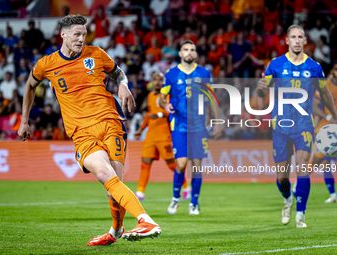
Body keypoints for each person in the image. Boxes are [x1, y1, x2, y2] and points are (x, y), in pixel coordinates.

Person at [17, 14, 161, 246]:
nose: (82, 38)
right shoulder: (47, 64)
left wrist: (123, 86)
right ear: (63, 35)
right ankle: (145, 220)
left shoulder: (96, 54)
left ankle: (116, 231)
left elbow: (118, 73)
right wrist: (24, 121)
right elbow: (30, 86)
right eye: (77, 34)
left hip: (111, 122)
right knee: (106, 176)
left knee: (113, 187)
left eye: (84, 34)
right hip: (82, 132)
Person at [257, 25, 337, 228]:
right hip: (281, 125)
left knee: (302, 168)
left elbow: (324, 93)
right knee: (281, 177)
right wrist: (260, 90)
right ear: (287, 40)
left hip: (303, 125)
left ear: (304, 41)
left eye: (301, 37)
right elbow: (262, 92)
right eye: (293, 37)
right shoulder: (275, 65)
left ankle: (301, 213)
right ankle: (287, 199)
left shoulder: (314, 67)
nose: (297, 40)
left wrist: (334, 114)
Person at [159, 40, 221, 215]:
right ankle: (176, 198)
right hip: (179, 124)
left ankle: (194, 202)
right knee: (181, 163)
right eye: (185, 49)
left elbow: (211, 98)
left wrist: (217, 122)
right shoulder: (171, 74)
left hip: (199, 125)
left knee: (197, 165)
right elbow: (162, 98)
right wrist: (165, 105)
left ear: (195, 54)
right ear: (180, 53)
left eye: (192, 50)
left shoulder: (203, 73)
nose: (189, 52)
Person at [134, 72, 190, 201]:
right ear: (152, 81)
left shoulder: (168, 96)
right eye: (155, 80)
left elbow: (173, 112)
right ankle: (140, 192)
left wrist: (159, 115)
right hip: (150, 137)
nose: (158, 82)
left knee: (172, 165)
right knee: (145, 164)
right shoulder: (150, 96)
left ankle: (186, 187)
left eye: (160, 80)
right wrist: (141, 129)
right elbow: (149, 114)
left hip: (164, 136)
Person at [311, 61, 337, 203]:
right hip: (326, 129)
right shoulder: (325, 85)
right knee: (323, 162)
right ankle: (332, 195)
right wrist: (328, 116)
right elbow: (314, 106)